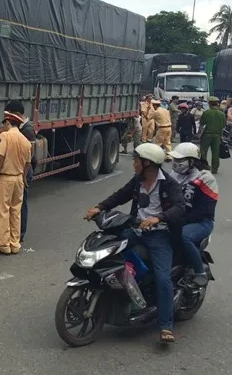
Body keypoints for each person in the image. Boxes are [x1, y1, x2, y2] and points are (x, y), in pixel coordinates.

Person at [86, 143, 185, 343]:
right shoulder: (138, 180)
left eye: (136, 160)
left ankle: (165, 326)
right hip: (135, 230)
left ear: (147, 163)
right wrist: (99, 207)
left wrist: (159, 218)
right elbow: (121, 195)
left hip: (159, 236)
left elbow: (180, 207)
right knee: (106, 251)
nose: (133, 163)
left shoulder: (169, 184)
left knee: (163, 278)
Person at [168, 143, 217, 287]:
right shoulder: (174, 175)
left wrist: (182, 221)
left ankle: (199, 272)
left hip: (202, 222)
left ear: (192, 161)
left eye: (180, 161)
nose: (176, 164)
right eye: (175, 160)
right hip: (176, 218)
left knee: (184, 236)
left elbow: (205, 210)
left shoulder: (206, 178)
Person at [0, 101, 36, 242]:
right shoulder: (22, 131)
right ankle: (10, 235)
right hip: (20, 172)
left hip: (18, 172)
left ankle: (16, 234)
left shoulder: (26, 130)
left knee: (14, 206)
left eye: (6, 118)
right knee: (13, 206)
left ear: (14, 115)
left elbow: (29, 156)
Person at [198, 96, 226, 174]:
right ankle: (214, 169)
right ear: (217, 104)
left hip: (207, 135)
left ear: (209, 103)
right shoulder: (222, 114)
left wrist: (199, 134)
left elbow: (201, 124)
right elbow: (223, 125)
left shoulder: (206, 113)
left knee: (203, 151)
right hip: (217, 135)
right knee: (215, 152)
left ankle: (204, 167)